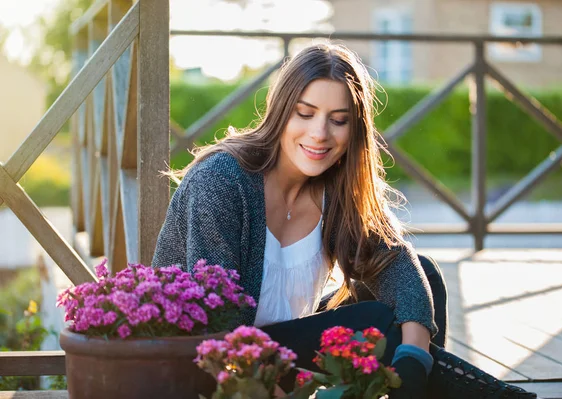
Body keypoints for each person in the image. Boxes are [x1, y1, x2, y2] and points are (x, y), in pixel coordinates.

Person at [152, 43, 535, 399]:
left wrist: (414, 360)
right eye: (305, 113)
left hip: (285, 350)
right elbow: (221, 327)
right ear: (281, 111)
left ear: (355, 130)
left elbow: (398, 263)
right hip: (215, 366)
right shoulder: (222, 181)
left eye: (338, 120)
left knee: (423, 279)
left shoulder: (335, 186)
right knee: (374, 319)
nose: (320, 134)